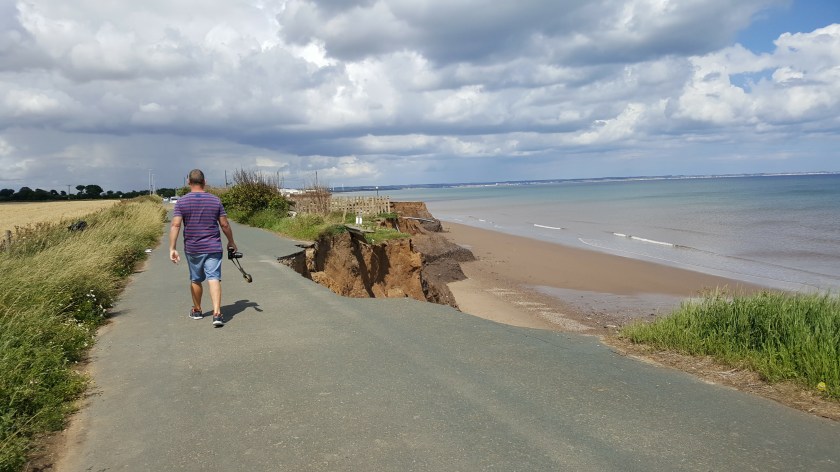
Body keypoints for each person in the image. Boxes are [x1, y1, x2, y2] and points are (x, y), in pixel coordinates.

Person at [169, 169, 237, 327]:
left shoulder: (182, 202)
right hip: (213, 247)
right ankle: (217, 314)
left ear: (188, 182)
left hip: (193, 247)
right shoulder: (215, 200)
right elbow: (224, 224)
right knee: (214, 278)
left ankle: (197, 310)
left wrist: (172, 248)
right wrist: (231, 242)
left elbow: (176, 225)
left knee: (196, 279)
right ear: (204, 182)